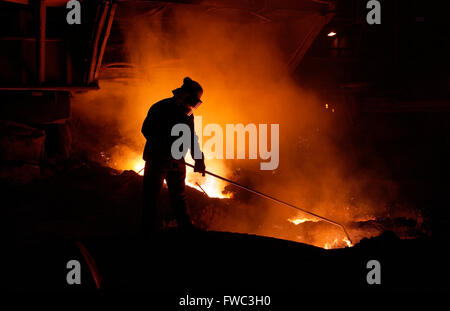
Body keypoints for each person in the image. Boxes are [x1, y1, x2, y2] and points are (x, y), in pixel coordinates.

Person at [141, 77, 206, 235]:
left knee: (179, 196)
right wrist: (163, 146)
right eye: (190, 101)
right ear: (183, 96)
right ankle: (150, 229)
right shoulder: (160, 108)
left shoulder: (187, 115)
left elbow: (191, 137)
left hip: (177, 161)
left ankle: (186, 227)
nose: (190, 106)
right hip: (157, 160)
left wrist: (199, 159)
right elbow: (146, 129)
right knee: (151, 195)